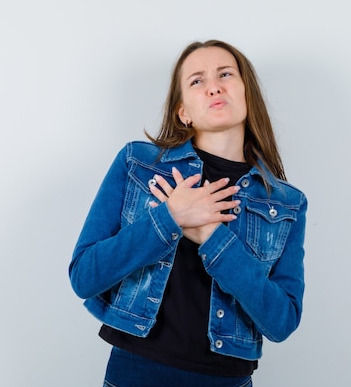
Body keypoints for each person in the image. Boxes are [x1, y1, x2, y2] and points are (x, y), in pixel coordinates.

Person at [69, 39, 308, 387]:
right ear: (184, 111)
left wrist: (213, 238)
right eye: (197, 80)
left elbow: (281, 321)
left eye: (225, 74)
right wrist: (169, 218)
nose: (214, 86)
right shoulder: (138, 165)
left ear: (246, 94)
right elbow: (84, 276)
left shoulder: (286, 203)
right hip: (135, 374)